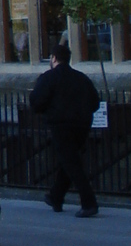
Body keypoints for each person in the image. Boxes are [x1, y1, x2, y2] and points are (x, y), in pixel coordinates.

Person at [30, 39, 101, 216]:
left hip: (61, 125)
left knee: (72, 163)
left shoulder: (49, 77)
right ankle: (56, 196)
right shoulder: (81, 78)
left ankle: (89, 202)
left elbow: (36, 102)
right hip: (82, 125)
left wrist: (48, 111)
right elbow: (95, 102)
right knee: (69, 161)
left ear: (54, 58)